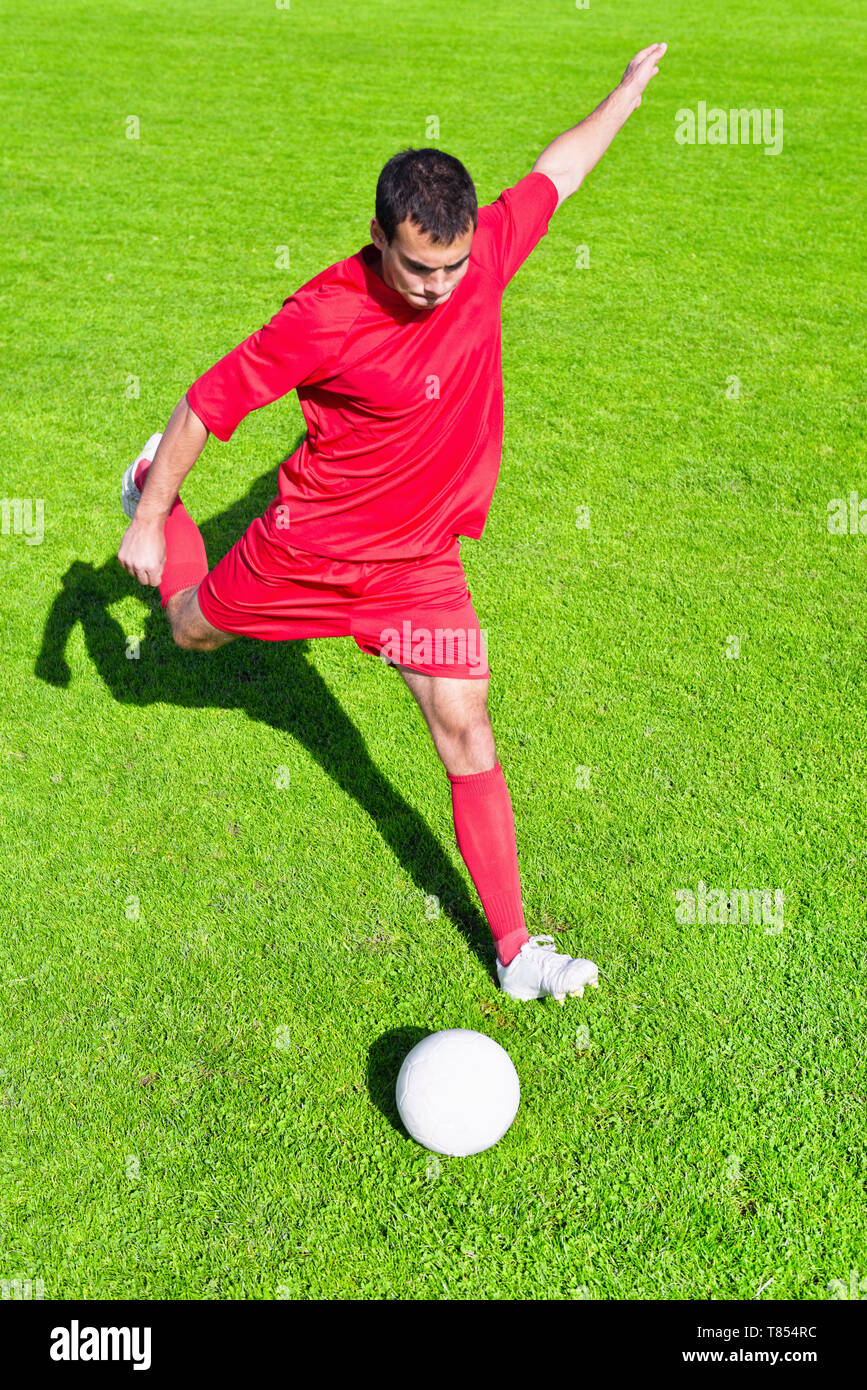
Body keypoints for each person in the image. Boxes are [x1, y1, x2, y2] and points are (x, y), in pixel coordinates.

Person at [117, 43, 667, 1003]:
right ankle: (150, 500)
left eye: (450, 268)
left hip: (415, 566)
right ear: (376, 234)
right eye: (416, 268)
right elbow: (209, 403)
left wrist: (622, 94)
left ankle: (515, 950)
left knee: (465, 726)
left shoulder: (482, 254)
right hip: (306, 549)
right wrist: (152, 516)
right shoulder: (322, 316)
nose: (437, 288)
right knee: (189, 632)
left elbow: (559, 170)